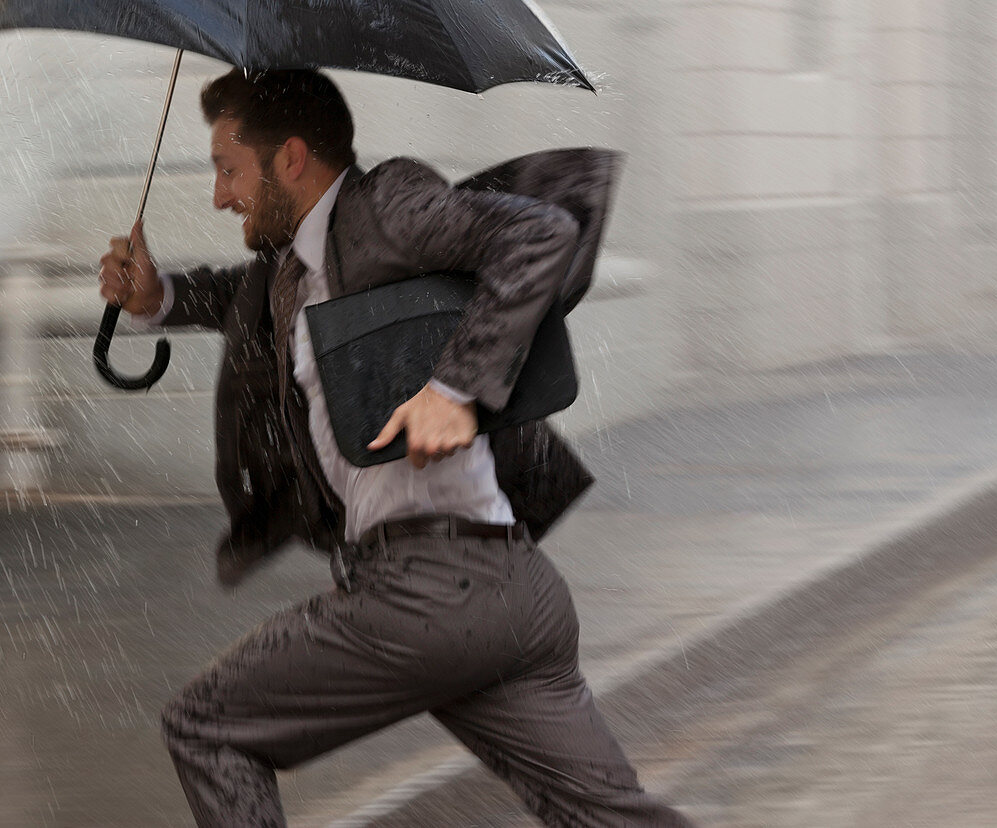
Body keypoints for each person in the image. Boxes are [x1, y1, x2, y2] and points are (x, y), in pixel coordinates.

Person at [99, 67, 696, 828]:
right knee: (610, 817)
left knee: (206, 727)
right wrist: (157, 298)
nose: (219, 195)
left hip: (428, 592)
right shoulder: (293, 269)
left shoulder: (388, 203)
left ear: (290, 159)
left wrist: (456, 389)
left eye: (227, 168)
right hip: (509, 593)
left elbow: (539, 231)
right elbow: (235, 295)